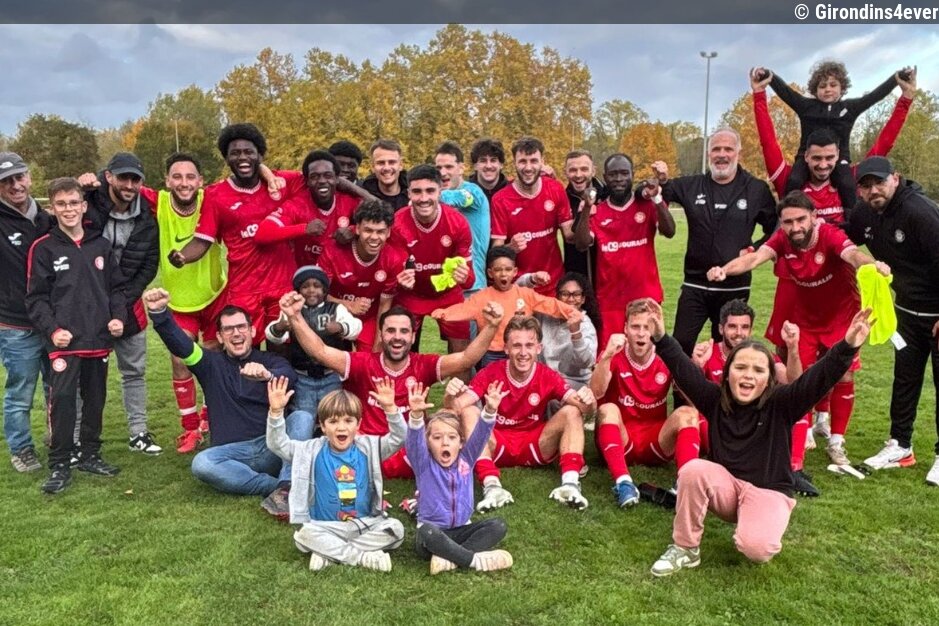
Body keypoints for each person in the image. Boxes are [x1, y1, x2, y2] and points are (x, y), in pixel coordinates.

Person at [644, 298, 872, 576]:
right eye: (740, 367)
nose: (748, 375)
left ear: (768, 379)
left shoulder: (782, 403)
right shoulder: (715, 399)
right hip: (727, 488)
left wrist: (848, 345)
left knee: (756, 549)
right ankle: (685, 548)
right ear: (727, 373)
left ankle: (764, 518)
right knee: (693, 470)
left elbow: (817, 379)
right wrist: (660, 337)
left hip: (768, 491)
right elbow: (684, 370)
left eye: (758, 370)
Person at [750, 67, 916, 446]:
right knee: (792, 354)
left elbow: (883, 146)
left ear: (838, 156)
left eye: (829, 158)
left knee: (839, 359)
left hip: (838, 287)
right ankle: (798, 419)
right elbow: (768, 142)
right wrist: (760, 95)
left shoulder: (850, 182)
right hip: (796, 286)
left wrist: (905, 100)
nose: (823, 164)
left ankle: (824, 420)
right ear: (806, 157)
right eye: (816, 158)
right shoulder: (789, 183)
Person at [709, 190, 890, 469]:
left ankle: (836, 441)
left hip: (840, 316)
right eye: (788, 222)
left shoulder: (829, 235)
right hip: (805, 319)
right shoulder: (782, 239)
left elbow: (853, 255)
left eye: (800, 220)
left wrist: (873, 265)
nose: (795, 227)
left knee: (844, 374)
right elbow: (754, 259)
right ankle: (803, 430)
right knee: (799, 378)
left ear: (814, 217)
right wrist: (724, 269)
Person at [280, 294, 505, 479]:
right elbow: (319, 351)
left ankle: (485, 478)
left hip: (411, 453)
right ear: (381, 334)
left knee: (452, 423)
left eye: (404, 331)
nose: (397, 337)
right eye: (390, 331)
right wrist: (295, 316)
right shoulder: (363, 363)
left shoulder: (424, 364)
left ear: (413, 336)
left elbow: (466, 359)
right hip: (370, 450)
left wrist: (491, 326)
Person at [142, 287, 313, 519]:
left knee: (302, 418)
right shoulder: (208, 363)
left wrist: (266, 376)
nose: (236, 333)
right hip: (232, 454)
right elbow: (180, 344)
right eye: (228, 329)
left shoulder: (271, 360)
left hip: (271, 446)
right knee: (202, 463)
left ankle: (287, 485)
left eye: (241, 327)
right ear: (220, 337)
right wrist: (160, 313)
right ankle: (277, 487)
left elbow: (289, 377)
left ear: (252, 331)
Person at [26, 177, 126, 494]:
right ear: (52, 209)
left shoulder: (100, 246)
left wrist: (118, 318)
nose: (68, 209)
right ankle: (60, 464)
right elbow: (36, 299)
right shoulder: (43, 248)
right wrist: (54, 330)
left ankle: (90, 455)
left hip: (98, 339)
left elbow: (117, 290)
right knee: (64, 401)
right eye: (61, 204)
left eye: (73, 203)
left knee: (95, 400)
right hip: (65, 343)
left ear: (83, 206)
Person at [845, 156, 939, 483]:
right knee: (905, 379)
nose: (874, 190)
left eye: (880, 182)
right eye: (866, 185)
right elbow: (842, 238)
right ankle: (901, 446)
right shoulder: (864, 213)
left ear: (895, 179)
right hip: (906, 314)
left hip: (937, 313)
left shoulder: (919, 212)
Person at [169, 123, 304, 344]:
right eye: (235, 153)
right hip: (244, 288)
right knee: (243, 351)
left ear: (260, 155)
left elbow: (321, 177)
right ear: (226, 158)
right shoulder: (215, 195)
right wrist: (183, 256)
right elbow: (202, 241)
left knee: (281, 350)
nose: (242, 157)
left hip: (281, 284)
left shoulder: (281, 182)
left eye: (249, 152)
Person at [448, 316, 597, 511]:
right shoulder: (491, 372)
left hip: (534, 445)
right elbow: (457, 407)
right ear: (506, 348)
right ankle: (491, 486)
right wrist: (450, 397)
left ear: (539, 348)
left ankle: (570, 484)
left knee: (572, 411)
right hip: (497, 445)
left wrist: (589, 401)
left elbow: (585, 409)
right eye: (517, 346)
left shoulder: (547, 375)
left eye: (529, 345)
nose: (523, 353)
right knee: (469, 412)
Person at [651, 128, 777, 356]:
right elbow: (663, 191)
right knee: (680, 345)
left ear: (738, 153)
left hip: (734, 286)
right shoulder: (692, 185)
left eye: (728, 149)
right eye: (716, 149)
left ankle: (724, 381)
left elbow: (775, 229)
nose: (722, 154)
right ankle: (684, 382)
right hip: (695, 284)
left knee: (728, 348)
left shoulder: (756, 189)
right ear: (708, 153)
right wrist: (661, 179)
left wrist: (755, 250)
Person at [266, 376, 406, 572]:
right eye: (333, 421)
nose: (341, 427)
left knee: (396, 529)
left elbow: (400, 437)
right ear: (323, 426)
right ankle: (362, 557)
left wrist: (391, 409)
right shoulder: (310, 450)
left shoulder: (370, 447)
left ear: (358, 424)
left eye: (348, 421)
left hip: (364, 524)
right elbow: (277, 444)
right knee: (304, 535)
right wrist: (276, 412)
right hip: (325, 526)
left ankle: (329, 554)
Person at [142, 153, 225, 454]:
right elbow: (124, 183)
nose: (184, 182)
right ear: (167, 180)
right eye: (177, 176)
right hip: (178, 300)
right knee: (180, 360)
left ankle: (209, 419)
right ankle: (190, 429)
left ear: (201, 181)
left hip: (215, 296)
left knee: (213, 360)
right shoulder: (159, 202)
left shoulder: (212, 199)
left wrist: (267, 174)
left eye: (190, 177)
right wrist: (96, 179)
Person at [691, 299, 814, 496]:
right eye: (732, 326)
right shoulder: (708, 352)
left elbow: (794, 384)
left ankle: (794, 469)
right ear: (721, 328)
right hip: (718, 422)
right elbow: (690, 397)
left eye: (744, 327)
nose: (739, 333)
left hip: (753, 420)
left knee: (799, 411)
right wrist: (696, 366)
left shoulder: (761, 355)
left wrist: (792, 348)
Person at [590, 299, 705, 508]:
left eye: (647, 327)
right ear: (625, 329)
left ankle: (684, 483)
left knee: (688, 413)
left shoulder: (667, 354)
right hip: (621, 438)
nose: (641, 334)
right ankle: (623, 483)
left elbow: (696, 400)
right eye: (635, 327)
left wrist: (696, 368)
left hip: (656, 440)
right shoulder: (614, 352)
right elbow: (596, 392)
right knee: (607, 409)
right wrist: (606, 357)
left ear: (656, 328)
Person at [82, 152, 161, 455]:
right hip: (88, 304)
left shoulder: (148, 215)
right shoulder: (88, 202)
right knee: (86, 375)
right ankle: (78, 437)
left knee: (134, 372)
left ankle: (138, 433)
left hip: (129, 304)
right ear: (108, 176)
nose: (129, 185)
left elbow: (150, 264)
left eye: (135, 179)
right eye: (123, 177)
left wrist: (124, 299)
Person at [762, 62, 906, 211]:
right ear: (815, 90)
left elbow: (873, 97)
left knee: (847, 184)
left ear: (842, 88)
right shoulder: (806, 106)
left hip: (840, 158)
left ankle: (852, 218)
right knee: (794, 180)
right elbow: (786, 93)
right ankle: (785, 214)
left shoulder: (849, 108)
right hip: (806, 156)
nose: (828, 89)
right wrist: (770, 77)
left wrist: (895, 79)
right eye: (822, 86)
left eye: (833, 85)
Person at [407, 379, 512, 574]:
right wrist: (416, 416)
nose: (445, 443)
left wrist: (490, 410)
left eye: (452, 437)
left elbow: (480, 435)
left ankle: (450, 558)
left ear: (461, 442)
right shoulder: (423, 464)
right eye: (437, 438)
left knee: (498, 525)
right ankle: (473, 561)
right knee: (426, 532)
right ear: (427, 443)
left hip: (462, 530)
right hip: (433, 533)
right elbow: (413, 442)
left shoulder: (467, 459)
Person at [574, 153, 676, 349]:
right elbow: (581, 243)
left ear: (632, 175)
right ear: (605, 177)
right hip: (610, 301)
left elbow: (670, 231)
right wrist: (586, 208)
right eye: (613, 174)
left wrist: (657, 197)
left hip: (646, 297)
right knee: (612, 355)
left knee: (646, 354)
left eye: (624, 173)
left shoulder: (647, 205)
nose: (619, 179)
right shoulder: (598, 211)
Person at [432, 246, 576, 368]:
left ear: (515, 272)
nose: (503, 274)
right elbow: (464, 309)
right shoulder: (482, 297)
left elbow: (550, 304)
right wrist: (443, 313)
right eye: (498, 270)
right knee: (492, 385)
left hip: (521, 350)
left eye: (508, 269)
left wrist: (572, 313)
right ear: (490, 273)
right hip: (492, 354)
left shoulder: (526, 294)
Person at [0, 151, 53, 472]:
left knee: (57, 387)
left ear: (29, 178)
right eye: (6, 181)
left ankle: (57, 437)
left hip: (53, 322)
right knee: (20, 393)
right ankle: (21, 449)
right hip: (16, 325)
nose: (15, 185)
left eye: (19, 177)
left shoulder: (48, 219)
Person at [391, 164, 475, 357]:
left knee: (461, 354)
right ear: (408, 193)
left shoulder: (458, 223)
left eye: (430, 191)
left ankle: (459, 377)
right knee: (398, 349)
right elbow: (394, 274)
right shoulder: (397, 224)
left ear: (440, 191)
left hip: (448, 294)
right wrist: (400, 280)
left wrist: (464, 276)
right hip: (411, 295)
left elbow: (470, 281)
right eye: (417, 192)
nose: (424, 198)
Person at [265, 265, 361, 422]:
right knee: (304, 416)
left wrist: (341, 327)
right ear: (298, 291)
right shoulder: (293, 311)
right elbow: (273, 336)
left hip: (331, 376)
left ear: (325, 290)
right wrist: (280, 327)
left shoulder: (336, 309)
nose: (311, 290)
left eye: (317, 286)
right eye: (305, 286)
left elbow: (356, 328)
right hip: (303, 378)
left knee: (334, 415)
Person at [255, 150, 374, 267]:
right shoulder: (297, 205)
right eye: (315, 176)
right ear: (306, 181)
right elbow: (262, 234)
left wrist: (353, 230)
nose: (322, 181)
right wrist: (304, 229)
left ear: (337, 179)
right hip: (305, 275)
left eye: (328, 175)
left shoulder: (350, 202)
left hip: (340, 274)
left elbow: (379, 223)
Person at [490, 136, 574, 295]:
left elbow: (569, 235)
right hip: (520, 288)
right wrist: (511, 248)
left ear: (542, 161)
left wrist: (585, 213)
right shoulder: (500, 199)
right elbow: (496, 252)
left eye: (534, 161)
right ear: (514, 163)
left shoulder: (555, 188)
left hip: (554, 284)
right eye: (522, 161)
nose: (528, 167)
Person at [317, 199, 404, 352]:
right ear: (357, 228)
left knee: (372, 357)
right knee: (331, 358)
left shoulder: (393, 259)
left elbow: (385, 304)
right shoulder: (333, 251)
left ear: (389, 232)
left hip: (369, 317)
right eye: (368, 230)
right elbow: (316, 295)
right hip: (333, 312)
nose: (374, 237)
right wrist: (347, 304)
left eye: (380, 232)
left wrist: (378, 345)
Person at [517, 271, 598, 391]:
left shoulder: (586, 325)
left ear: (583, 299)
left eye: (576, 294)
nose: (570, 299)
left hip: (574, 383)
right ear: (557, 297)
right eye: (565, 294)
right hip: (543, 379)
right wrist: (531, 279)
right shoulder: (546, 315)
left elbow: (586, 362)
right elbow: (516, 293)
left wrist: (576, 333)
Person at [434, 141, 491, 302]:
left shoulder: (473, 192)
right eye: (438, 168)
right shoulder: (436, 201)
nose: (443, 172)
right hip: (446, 287)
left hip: (472, 289)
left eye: (449, 167)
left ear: (461, 168)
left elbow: (461, 198)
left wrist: (428, 195)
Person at [563, 150, 605, 282]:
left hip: (606, 276)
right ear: (565, 172)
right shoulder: (562, 199)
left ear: (593, 171)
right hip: (575, 276)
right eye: (573, 170)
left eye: (584, 169)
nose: (578, 175)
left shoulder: (607, 194)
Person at [360, 139, 410, 211]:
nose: (387, 168)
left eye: (392, 162)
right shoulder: (361, 197)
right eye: (381, 163)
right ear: (373, 167)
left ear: (401, 165)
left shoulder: (414, 195)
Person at [468, 138, 509, 203]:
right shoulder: (465, 192)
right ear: (475, 166)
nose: (488, 166)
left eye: (493, 160)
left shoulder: (511, 192)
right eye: (483, 161)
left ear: (501, 165)